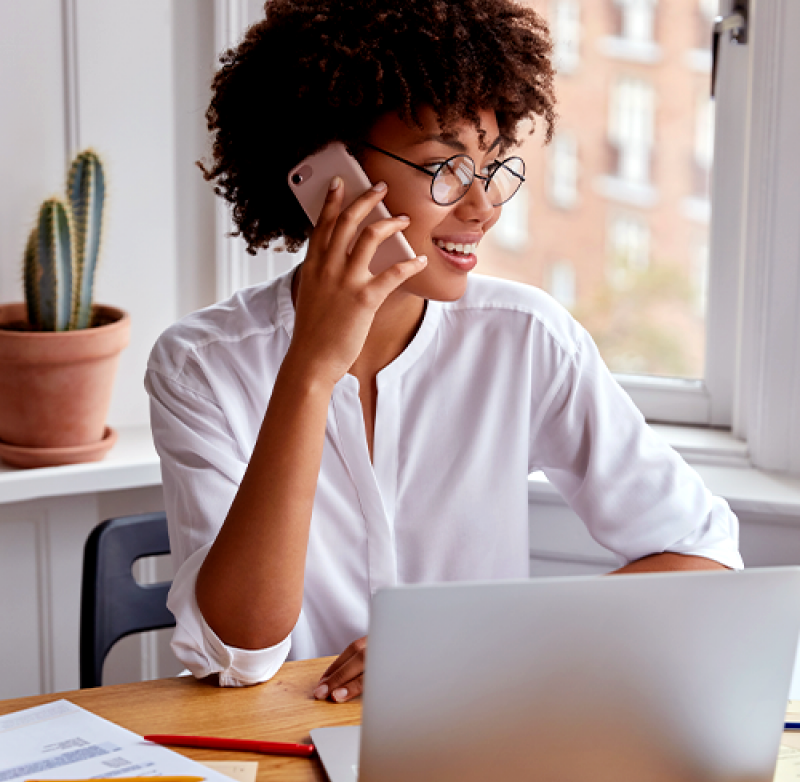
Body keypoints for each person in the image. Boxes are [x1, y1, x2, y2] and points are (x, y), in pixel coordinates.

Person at [145, 0, 743, 703]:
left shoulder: (524, 338)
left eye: (490, 166)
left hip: (473, 732)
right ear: (326, 170)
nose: (483, 206)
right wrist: (310, 371)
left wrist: (482, 637)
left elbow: (705, 556)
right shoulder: (201, 365)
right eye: (444, 168)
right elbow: (235, 654)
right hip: (280, 747)